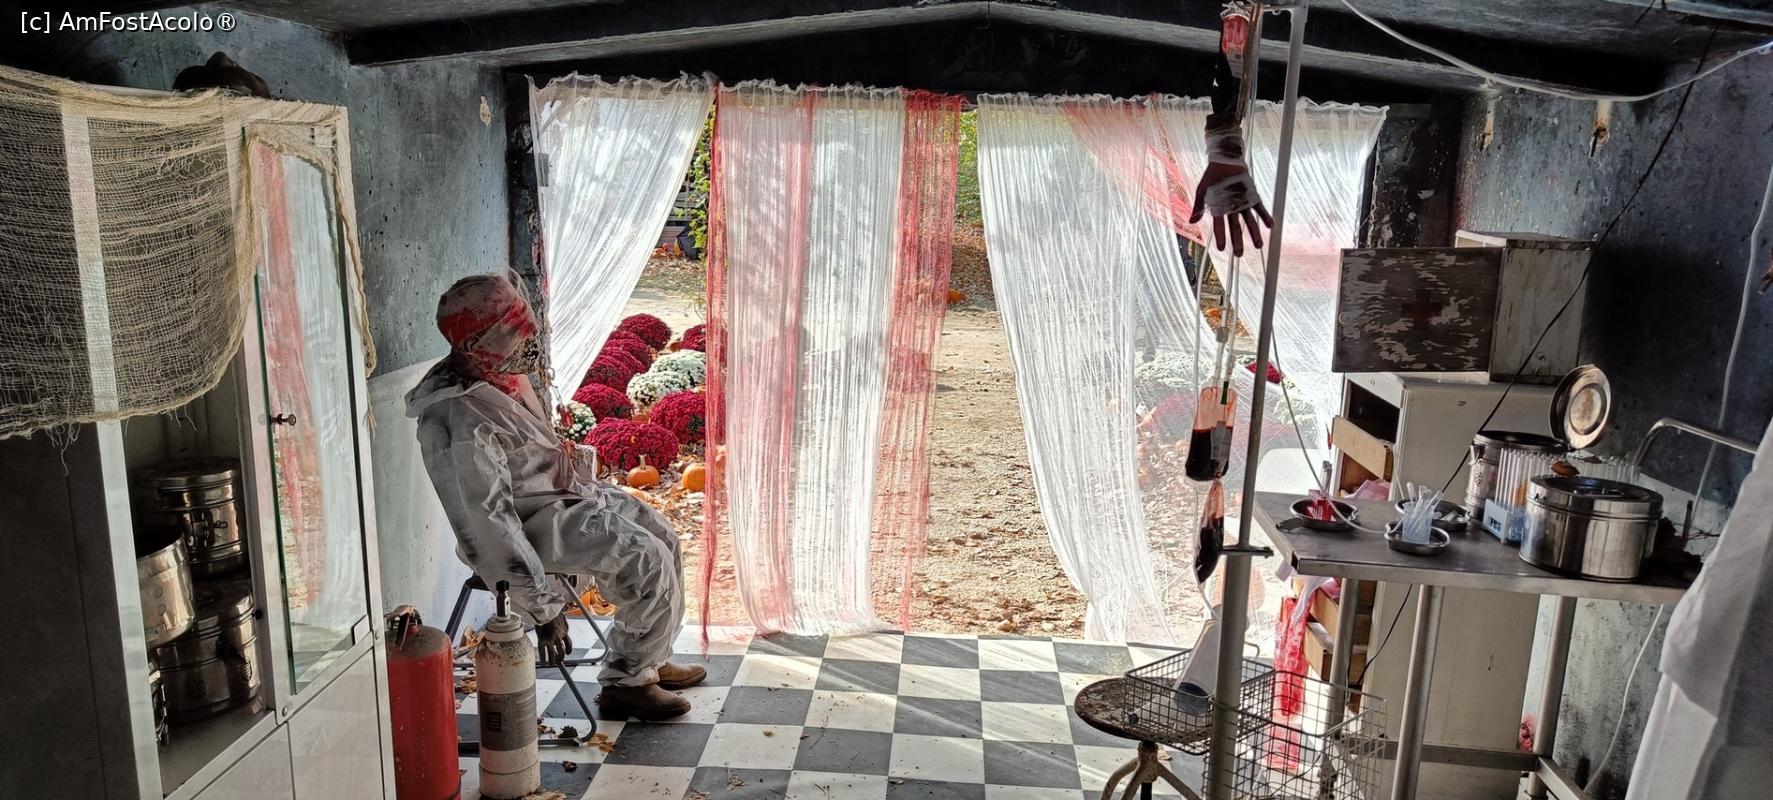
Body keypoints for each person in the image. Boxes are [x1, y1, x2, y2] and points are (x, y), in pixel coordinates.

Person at [406, 272, 703, 720]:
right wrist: (542, 609)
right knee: (646, 559)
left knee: (663, 536)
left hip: (562, 499)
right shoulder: (457, 419)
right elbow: (486, 526)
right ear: (478, 345)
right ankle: (627, 684)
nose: (530, 343)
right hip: (531, 526)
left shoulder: (498, 371)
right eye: (517, 334)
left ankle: (650, 658)